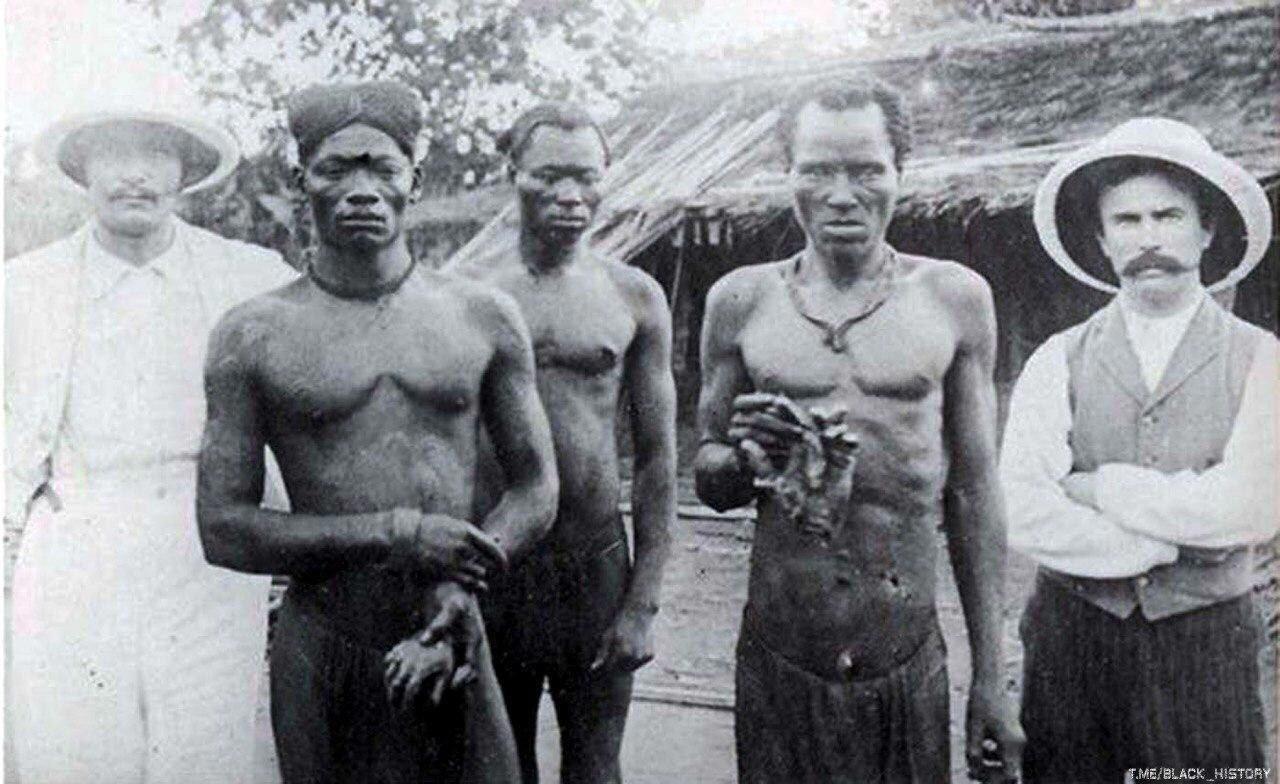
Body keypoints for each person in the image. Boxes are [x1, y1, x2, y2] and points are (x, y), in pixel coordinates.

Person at [195, 81, 558, 784]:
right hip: (326, 643)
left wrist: (463, 587)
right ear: (300, 182)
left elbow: (536, 486)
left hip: (451, 627)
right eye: (335, 169)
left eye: (382, 168)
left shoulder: (482, 315)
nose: (361, 189)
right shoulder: (252, 334)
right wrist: (398, 534)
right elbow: (223, 528)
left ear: (413, 181)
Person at [692, 76, 1023, 783]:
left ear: (900, 172)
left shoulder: (954, 299)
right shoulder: (741, 300)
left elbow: (974, 493)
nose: (841, 193)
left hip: (904, 655)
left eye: (866, 170)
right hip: (782, 654)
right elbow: (710, 476)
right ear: (788, 173)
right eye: (817, 170)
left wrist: (991, 679)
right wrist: (748, 459)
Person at [6, 109, 296, 783]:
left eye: (156, 155)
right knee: (76, 754)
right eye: (112, 155)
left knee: (203, 755)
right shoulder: (23, 288)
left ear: (186, 171)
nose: (133, 175)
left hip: (207, 548)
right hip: (75, 541)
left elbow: (303, 409)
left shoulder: (250, 278)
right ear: (83, 170)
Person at [1002, 117, 1278, 780]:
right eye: (1126, 220)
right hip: (1073, 644)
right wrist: (1154, 546)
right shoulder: (1058, 359)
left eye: (1168, 215)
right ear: (1101, 241)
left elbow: (1251, 505)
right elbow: (1022, 508)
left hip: (1207, 647)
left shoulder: (1260, 359)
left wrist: (1100, 489)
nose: (1148, 237)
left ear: (1206, 229)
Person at [461, 102, 677, 784]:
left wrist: (642, 603)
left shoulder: (634, 296)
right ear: (512, 173)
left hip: (595, 565)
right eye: (549, 175)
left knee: (596, 766)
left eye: (586, 177)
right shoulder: (467, 294)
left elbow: (657, 459)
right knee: (499, 765)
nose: (569, 195)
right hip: (496, 561)